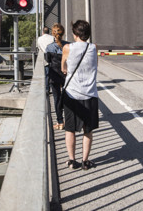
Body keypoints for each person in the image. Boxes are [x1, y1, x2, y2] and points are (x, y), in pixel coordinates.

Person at [61, 20, 98, 170]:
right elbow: (95, 66)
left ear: (75, 34)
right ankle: (85, 161)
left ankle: (72, 160)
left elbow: (63, 67)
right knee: (87, 130)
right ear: (88, 34)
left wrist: (66, 69)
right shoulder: (94, 48)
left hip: (71, 94)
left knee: (70, 129)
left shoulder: (67, 48)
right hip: (90, 94)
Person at [44, 23, 69, 130]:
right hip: (67, 75)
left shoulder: (49, 47)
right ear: (63, 33)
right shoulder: (69, 46)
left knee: (56, 98)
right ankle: (70, 119)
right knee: (68, 97)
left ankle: (60, 121)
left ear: (53, 33)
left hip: (54, 75)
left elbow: (47, 60)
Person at [37, 26, 54, 92]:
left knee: (46, 74)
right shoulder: (52, 38)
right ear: (49, 32)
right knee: (52, 74)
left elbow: (39, 48)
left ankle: (47, 89)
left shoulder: (39, 39)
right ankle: (53, 88)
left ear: (42, 32)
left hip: (44, 57)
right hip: (52, 57)